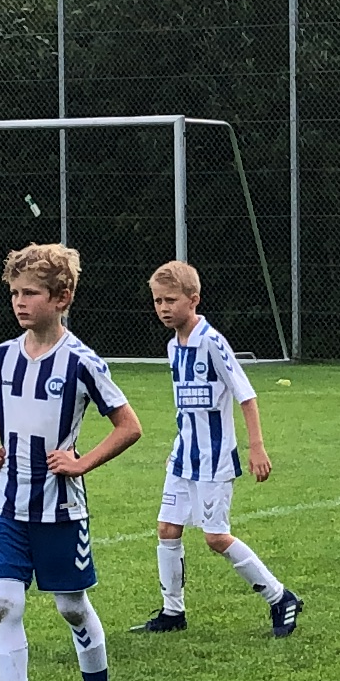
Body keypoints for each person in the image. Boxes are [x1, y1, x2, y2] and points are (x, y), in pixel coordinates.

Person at [0, 242, 142, 681]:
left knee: (71, 607)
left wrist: (81, 463)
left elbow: (129, 426)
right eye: (15, 293)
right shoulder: (2, 357)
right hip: (8, 505)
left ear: (61, 298)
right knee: (4, 603)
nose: (20, 302)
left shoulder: (82, 361)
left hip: (61, 510)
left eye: (31, 293)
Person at [132, 260, 300, 637]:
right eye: (158, 301)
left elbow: (246, 396)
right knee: (167, 528)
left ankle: (280, 597)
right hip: (183, 457)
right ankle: (173, 612)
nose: (163, 308)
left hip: (214, 458)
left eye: (171, 300)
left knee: (215, 538)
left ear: (194, 299)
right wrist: (178, 445)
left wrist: (256, 447)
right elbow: (186, 405)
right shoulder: (174, 346)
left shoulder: (211, 342)